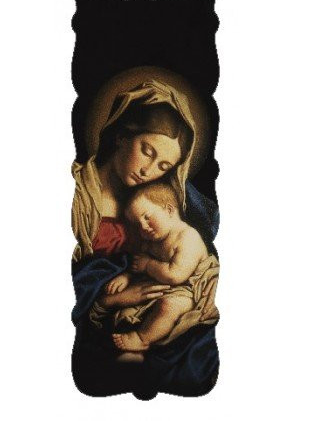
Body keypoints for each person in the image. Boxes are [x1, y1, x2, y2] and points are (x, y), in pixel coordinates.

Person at [71, 79, 219, 396]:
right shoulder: (80, 195)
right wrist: (112, 299)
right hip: (108, 312)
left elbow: (195, 257)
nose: (148, 171)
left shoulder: (156, 201)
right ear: (123, 136)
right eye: (147, 151)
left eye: (164, 165)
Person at [108, 182, 219, 352]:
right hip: (167, 286)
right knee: (128, 311)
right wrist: (126, 277)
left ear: (169, 210)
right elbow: (138, 265)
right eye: (137, 224)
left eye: (147, 217)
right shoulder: (152, 240)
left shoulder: (188, 237)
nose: (143, 227)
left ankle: (142, 339)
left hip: (193, 290)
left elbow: (175, 275)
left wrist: (148, 265)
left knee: (168, 306)